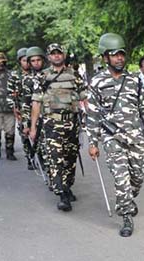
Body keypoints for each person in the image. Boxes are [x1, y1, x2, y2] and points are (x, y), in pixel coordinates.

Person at [86, 33, 144, 237]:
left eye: (122, 54)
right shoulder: (97, 82)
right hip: (112, 137)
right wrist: (92, 142)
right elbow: (92, 114)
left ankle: (129, 199)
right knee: (121, 178)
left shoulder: (134, 80)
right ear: (106, 58)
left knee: (137, 177)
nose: (119, 58)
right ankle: (126, 217)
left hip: (136, 137)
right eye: (114, 55)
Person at [29, 43, 88, 212]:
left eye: (59, 53)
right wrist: (33, 127)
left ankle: (68, 186)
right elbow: (36, 102)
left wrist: (90, 118)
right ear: (48, 57)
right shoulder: (42, 77)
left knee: (70, 158)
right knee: (56, 158)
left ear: (63, 55)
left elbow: (84, 97)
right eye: (53, 54)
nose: (56, 56)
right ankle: (61, 193)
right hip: (52, 124)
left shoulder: (74, 75)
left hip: (72, 123)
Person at [21, 46, 46, 172]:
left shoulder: (49, 75)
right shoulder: (27, 80)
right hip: (36, 118)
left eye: (39, 60)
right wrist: (26, 124)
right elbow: (26, 103)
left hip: (50, 117)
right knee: (40, 148)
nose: (36, 63)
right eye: (33, 61)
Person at [11, 47, 33, 169]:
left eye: (28, 60)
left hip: (35, 108)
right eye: (24, 60)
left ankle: (40, 157)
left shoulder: (36, 73)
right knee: (25, 135)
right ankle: (30, 157)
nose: (27, 63)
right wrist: (14, 108)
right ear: (20, 61)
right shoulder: (15, 75)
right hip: (22, 110)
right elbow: (9, 94)